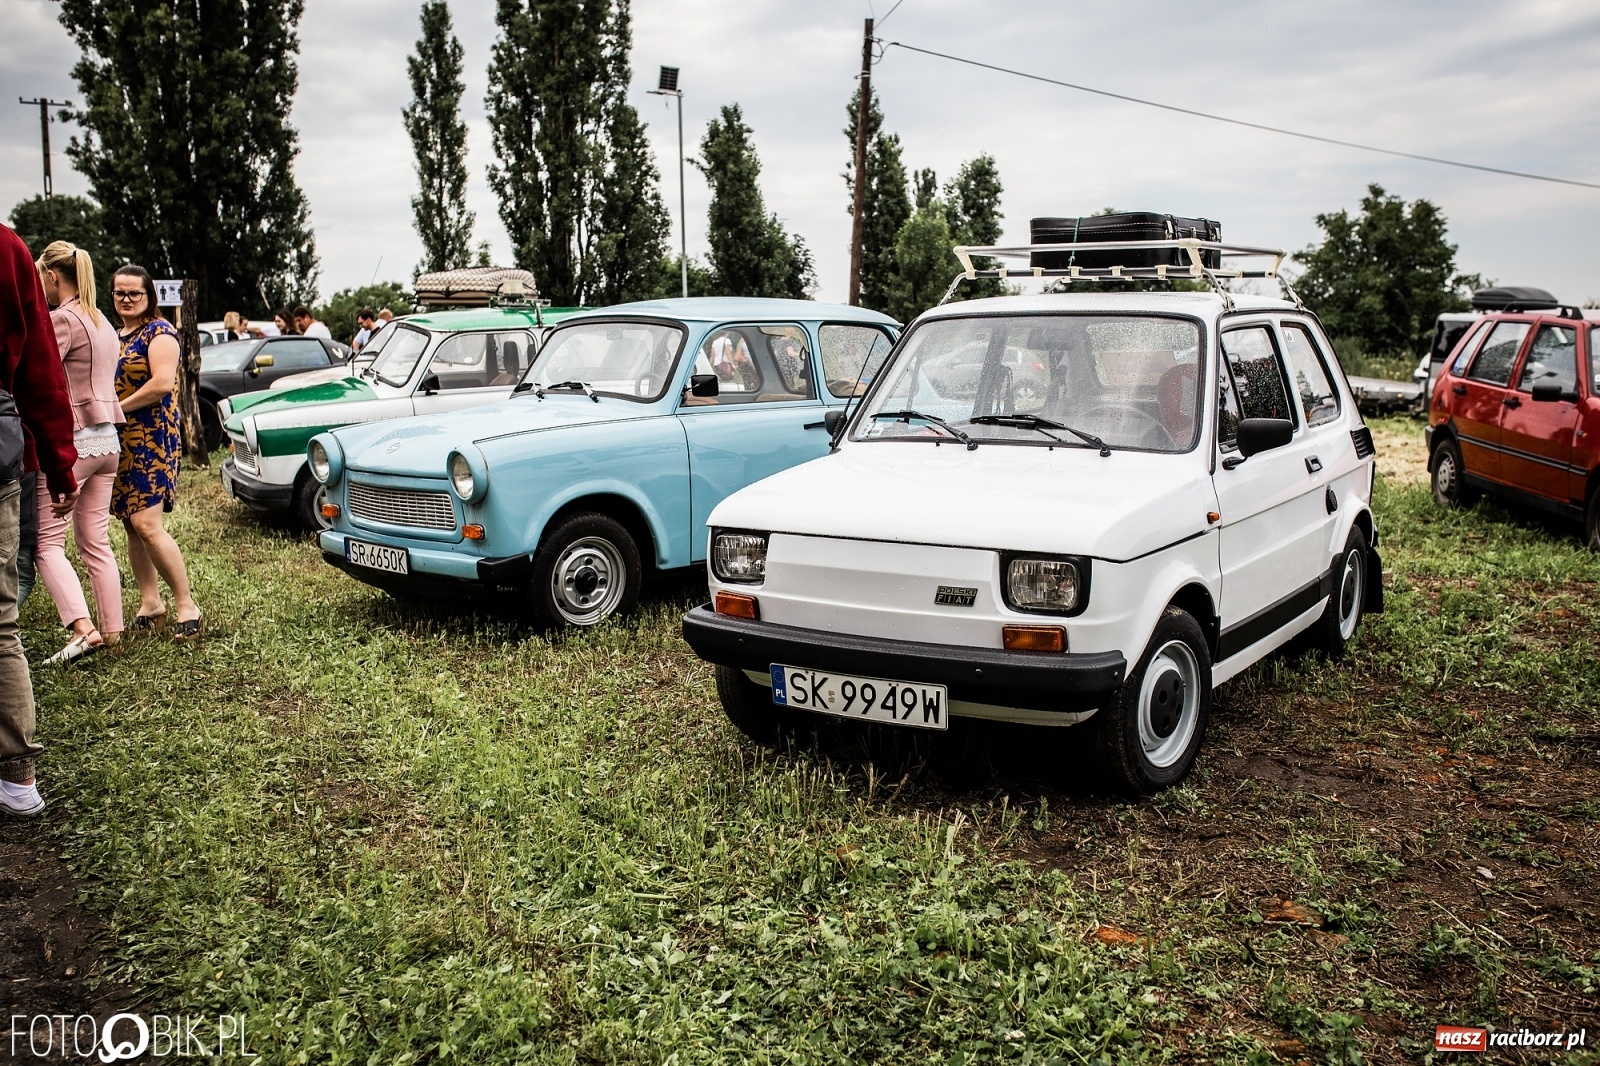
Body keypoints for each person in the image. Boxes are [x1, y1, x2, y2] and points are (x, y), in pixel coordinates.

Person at [0, 224, 80, 818]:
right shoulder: (6, 247)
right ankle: (17, 775)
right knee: (0, 622)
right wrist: (57, 465)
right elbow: (40, 376)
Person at [34, 241, 126, 664]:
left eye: (43, 279)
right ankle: (112, 631)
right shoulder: (103, 321)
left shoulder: (63, 320)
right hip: (109, 438)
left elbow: (37, 374)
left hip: (75, 440)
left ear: (53, 275)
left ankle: (82, 629)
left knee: (47, 543)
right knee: (96, 540)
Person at [110, 265, 202, 641]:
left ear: (150, 296)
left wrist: (117, 409)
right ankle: (151, 604)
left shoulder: (160, 333)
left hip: (152, 439)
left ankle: (187, 606)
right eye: (120, 293)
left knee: (148, 524)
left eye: (135, 293)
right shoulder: (115, 335)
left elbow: (162, 384)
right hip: (121, 440)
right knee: (131, 524)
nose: (127, 299)